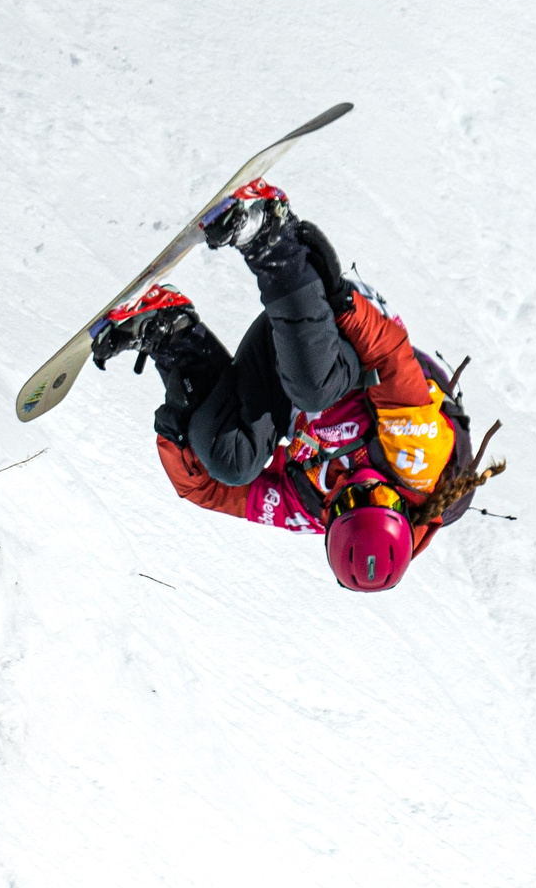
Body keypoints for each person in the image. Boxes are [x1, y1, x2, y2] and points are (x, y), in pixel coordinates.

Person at [87, 182, 502, 592]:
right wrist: (340, 300)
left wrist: (179, 433)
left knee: (231, 462)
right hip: (344, 329)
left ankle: (172, 335)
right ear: (399, 508)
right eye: (373, 501)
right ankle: (270, 235)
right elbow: (390, 354)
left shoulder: (310, 503)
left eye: (344, 506)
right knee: (315, 390)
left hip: (291, 359)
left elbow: (205, 490)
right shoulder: (416, 461)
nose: (353, 491)